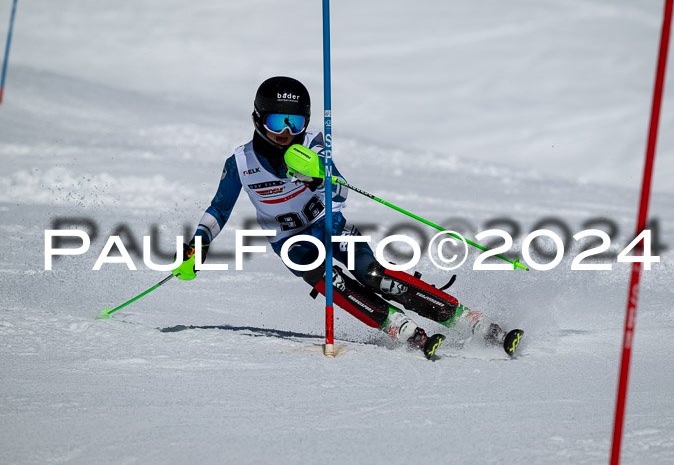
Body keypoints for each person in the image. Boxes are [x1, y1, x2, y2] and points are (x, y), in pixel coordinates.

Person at [173, 76, 522, 359]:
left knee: (374, 276)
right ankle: (397, 327)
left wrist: (318, 177)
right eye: (277, 121)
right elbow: (219, 209)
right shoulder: (240, 163)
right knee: (334, 285)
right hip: (292, 243)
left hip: (331, 223)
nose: (286, 132)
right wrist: (199, 241)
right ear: (258, 119)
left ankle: (466, 320)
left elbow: (340, 192)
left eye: (295, 121)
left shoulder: (314, 144)